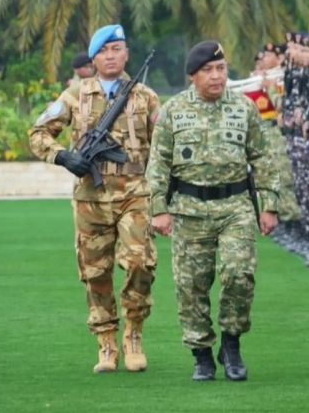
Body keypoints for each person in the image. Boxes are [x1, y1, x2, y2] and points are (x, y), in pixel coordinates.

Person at [145, 40, 280, 382]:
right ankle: (202, 353)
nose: (217, 76)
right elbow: (157, 165)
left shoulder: (244, 108)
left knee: (238, 273)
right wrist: (159, 210)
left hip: (235, 207)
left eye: (221, 69)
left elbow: (262, 157)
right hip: (189, 210)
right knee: (191, 285)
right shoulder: (173, 112)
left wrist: (270, 205)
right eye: (208, 70)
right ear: (193, 76)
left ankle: (231, 344)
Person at [28, 24, 160, 374]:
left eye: (117, 48)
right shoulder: (74, 95)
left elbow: (165, 147)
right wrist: (63, 156)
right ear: (94, 57)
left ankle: (133, 334)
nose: (111, 55)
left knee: (139, 264)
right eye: (104, 51)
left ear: (127, 53)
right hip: (90, 196)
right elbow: (38, 133)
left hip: (136, 192)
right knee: (95, 272)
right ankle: (106, 343)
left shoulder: (145, 96)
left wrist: (166, 196)